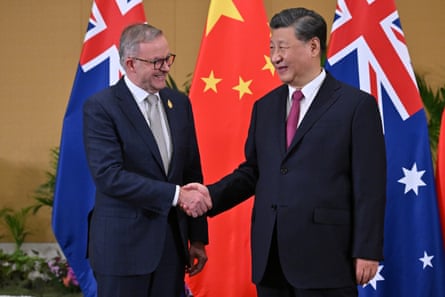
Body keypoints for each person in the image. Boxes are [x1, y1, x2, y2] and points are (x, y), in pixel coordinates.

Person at [186, 7, 386, 297]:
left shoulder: (356, 106)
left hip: (327, 257)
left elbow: (370, 185)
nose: (275, 57)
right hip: (271, 259)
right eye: (271, 47)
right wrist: (210, 196)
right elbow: (253, 172)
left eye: (283, 47)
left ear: (313, 46)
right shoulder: (264, 107)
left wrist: (367, 250)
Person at [82, 23, 212, 297]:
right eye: (157, 61)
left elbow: (191, 171)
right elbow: (109, 176)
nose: (166, 67)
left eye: (168, 58)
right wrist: (176, 195)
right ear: (130, 63)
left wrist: (198, 237)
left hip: (171, 250)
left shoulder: (179, 104)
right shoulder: (101, 107)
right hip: (122, 250)